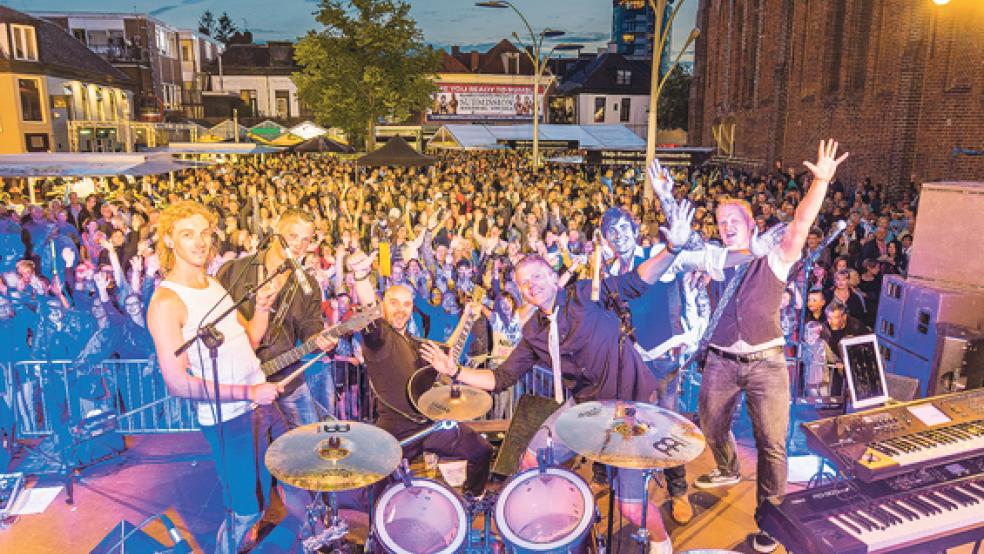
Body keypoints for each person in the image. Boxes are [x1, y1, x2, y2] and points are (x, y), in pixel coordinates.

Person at [421, 196, 697, 554]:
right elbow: (500, 378)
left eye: (536, 276)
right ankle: (555, 521)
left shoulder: (584, 294)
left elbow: (636, 281)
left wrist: (673, 248)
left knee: (629, 507)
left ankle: (661, 542)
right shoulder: (534, 331)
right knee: (533, 458)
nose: (530, 285)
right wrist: (455, 371)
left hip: (630, 404)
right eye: (523, 282)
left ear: (553, 276)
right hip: (584, 408)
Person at [693, 140, 848, 553]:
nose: (725, 226)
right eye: (720, 221)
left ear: (751, 226)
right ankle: (726, 467)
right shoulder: (714, 262)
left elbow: (799, 224)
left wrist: (821, 182)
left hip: (767, 363)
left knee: (772, 445)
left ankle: (772, 521)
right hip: (722, 361)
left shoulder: (774, 260)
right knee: (709, 423)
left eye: (733, 221)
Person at [147, 200, 282, 554]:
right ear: (169, 240)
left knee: (262, 493)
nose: (200, 242)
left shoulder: (214, 285)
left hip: (255, 406)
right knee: (245, 509)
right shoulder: (166, 302)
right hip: (228, 418)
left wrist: (264, 308)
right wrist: (249, 390)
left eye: (204, 233)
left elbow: (251, 338)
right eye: (187, 234)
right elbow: (177, 383)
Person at [345, 251, 494, 498]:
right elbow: (370, 312)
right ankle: (378, 531)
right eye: (394, 302)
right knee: (377, 492)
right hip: (396, 429)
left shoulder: (414, 342)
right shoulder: (379, 339)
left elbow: (448, 353)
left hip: (428, 425)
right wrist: (361, 277)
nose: (400, 309)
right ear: (383, 305)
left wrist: (467, 318)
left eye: (406, 304)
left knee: (481, 451)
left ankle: (472, 499)